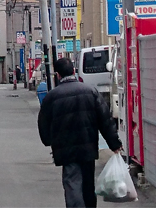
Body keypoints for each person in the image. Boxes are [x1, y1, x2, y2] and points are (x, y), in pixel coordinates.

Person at [38, 57, 122, 208]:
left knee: (72, 183)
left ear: (58, 75)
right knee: (88, 183)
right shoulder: (90, 91)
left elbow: (43, 122)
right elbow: (105, 119)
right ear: (74, 71)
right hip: (88, 146)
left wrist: (48, 140)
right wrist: (114, 143)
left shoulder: (52, 97)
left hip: (65, 148)